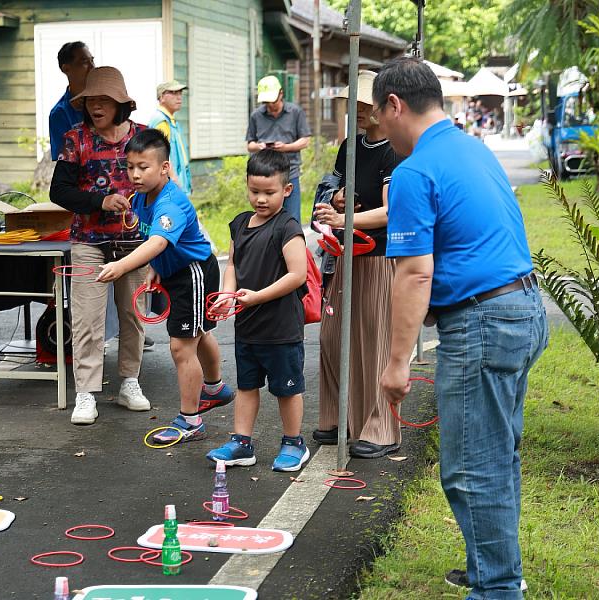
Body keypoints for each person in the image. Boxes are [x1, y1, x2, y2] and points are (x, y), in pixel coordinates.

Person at [374, 57, 548, 599]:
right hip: (523, 309)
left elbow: (414, 272)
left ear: (395, 106)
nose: (379, 131)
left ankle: (497, 589)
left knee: (472, 469)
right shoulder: (473, 148)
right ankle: (492, 572)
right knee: (497, 456)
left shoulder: (412, 172)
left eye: (378, 118)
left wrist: (398, 364)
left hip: (484, 323)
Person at [95, 128, 235, 443]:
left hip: (193, 273)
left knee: (182, 345)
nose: (134, 174)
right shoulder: (143, 197)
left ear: (164, 167)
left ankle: (191, 420)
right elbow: (158, 244)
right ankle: (214, 388)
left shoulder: (171, 203)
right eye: (130, 167)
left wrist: (120, 267)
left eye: (143, 167)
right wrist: (158, 270)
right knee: (199, 334)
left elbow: (158, 242)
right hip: (177, 272)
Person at [49, 66, 151, 425]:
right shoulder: (75, 139)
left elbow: (161, 183)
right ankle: (85, 393)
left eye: (104, 100)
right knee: (87, 321)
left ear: (120, 103)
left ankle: (130, 382)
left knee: (133, 317)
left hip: (135, 243)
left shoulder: (144, 137)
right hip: (88, 242)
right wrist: (100, 201)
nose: (96, 106)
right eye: (91, 100)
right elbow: (58, 191)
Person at [312, 70, 403, 459]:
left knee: (374, 342)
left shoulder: (394, 150)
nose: (363, 111)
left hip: (379, 255)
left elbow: (391, 210)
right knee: (333, 338)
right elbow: (333, 187)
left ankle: (381, 427)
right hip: (346, 252)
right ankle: (339, 417)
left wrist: (344, 218)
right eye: (358, 105)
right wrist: (335, 202)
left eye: (369, 105)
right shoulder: (350, 144)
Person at [205, 150, 310, 472]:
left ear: (287, 190)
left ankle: (294, 443)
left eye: (269, 192)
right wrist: (227, 294)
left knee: (286, 389)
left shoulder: (288, 226)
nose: (260, 199)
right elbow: (233, 264)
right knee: (247, 386)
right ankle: (241, 443)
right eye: (255, 192)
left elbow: (298, 275)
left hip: (281, 328)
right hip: (247, 326)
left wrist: (256, 297)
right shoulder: (239, 224)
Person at [246, 76, 311, 223]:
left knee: (292, 217)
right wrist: (259, 146)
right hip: (264, 173)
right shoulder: (256, 115)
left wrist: (286, 147)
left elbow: (305, 141)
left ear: (281, 94)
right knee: (265, 218)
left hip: (289, 172)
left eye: (273, 101)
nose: (270, 105)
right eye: (266, 102)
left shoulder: (295, 112)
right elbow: (250, 144)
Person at [49, 41, 94, 161]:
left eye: (92, 60)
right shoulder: (60, 113)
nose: (92, 66)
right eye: (84, 61)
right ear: (66, 68)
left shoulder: (106, 100)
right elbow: (64, 159)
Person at [149, 80, 191, 195]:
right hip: (171, 183)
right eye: (173, 93)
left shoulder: (171, 120)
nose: (179, 97)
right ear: (162, 97)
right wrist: (173, 177)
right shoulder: (161, 121)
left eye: (180, 93)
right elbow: (160, 154)